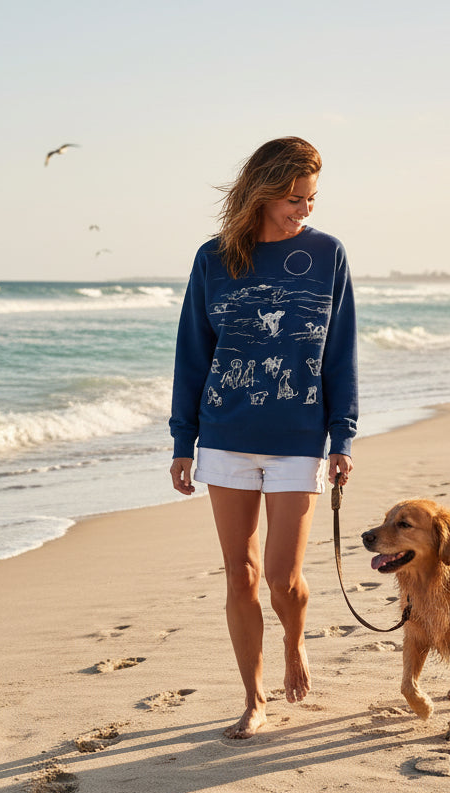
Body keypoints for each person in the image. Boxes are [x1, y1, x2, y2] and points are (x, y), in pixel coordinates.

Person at [169, 136, 358, 739]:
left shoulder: (327, 254)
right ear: (262, 193)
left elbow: (340, 353)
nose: (305, 210)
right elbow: (192, 354)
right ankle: (253, 698)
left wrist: (342, 437)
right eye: (294, 199)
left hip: (298, 438)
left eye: (311, 198)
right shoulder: (214, 259)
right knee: (240, 574)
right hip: (225, 434)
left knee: (283, 580)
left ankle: (294, 643)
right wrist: (182, 441)